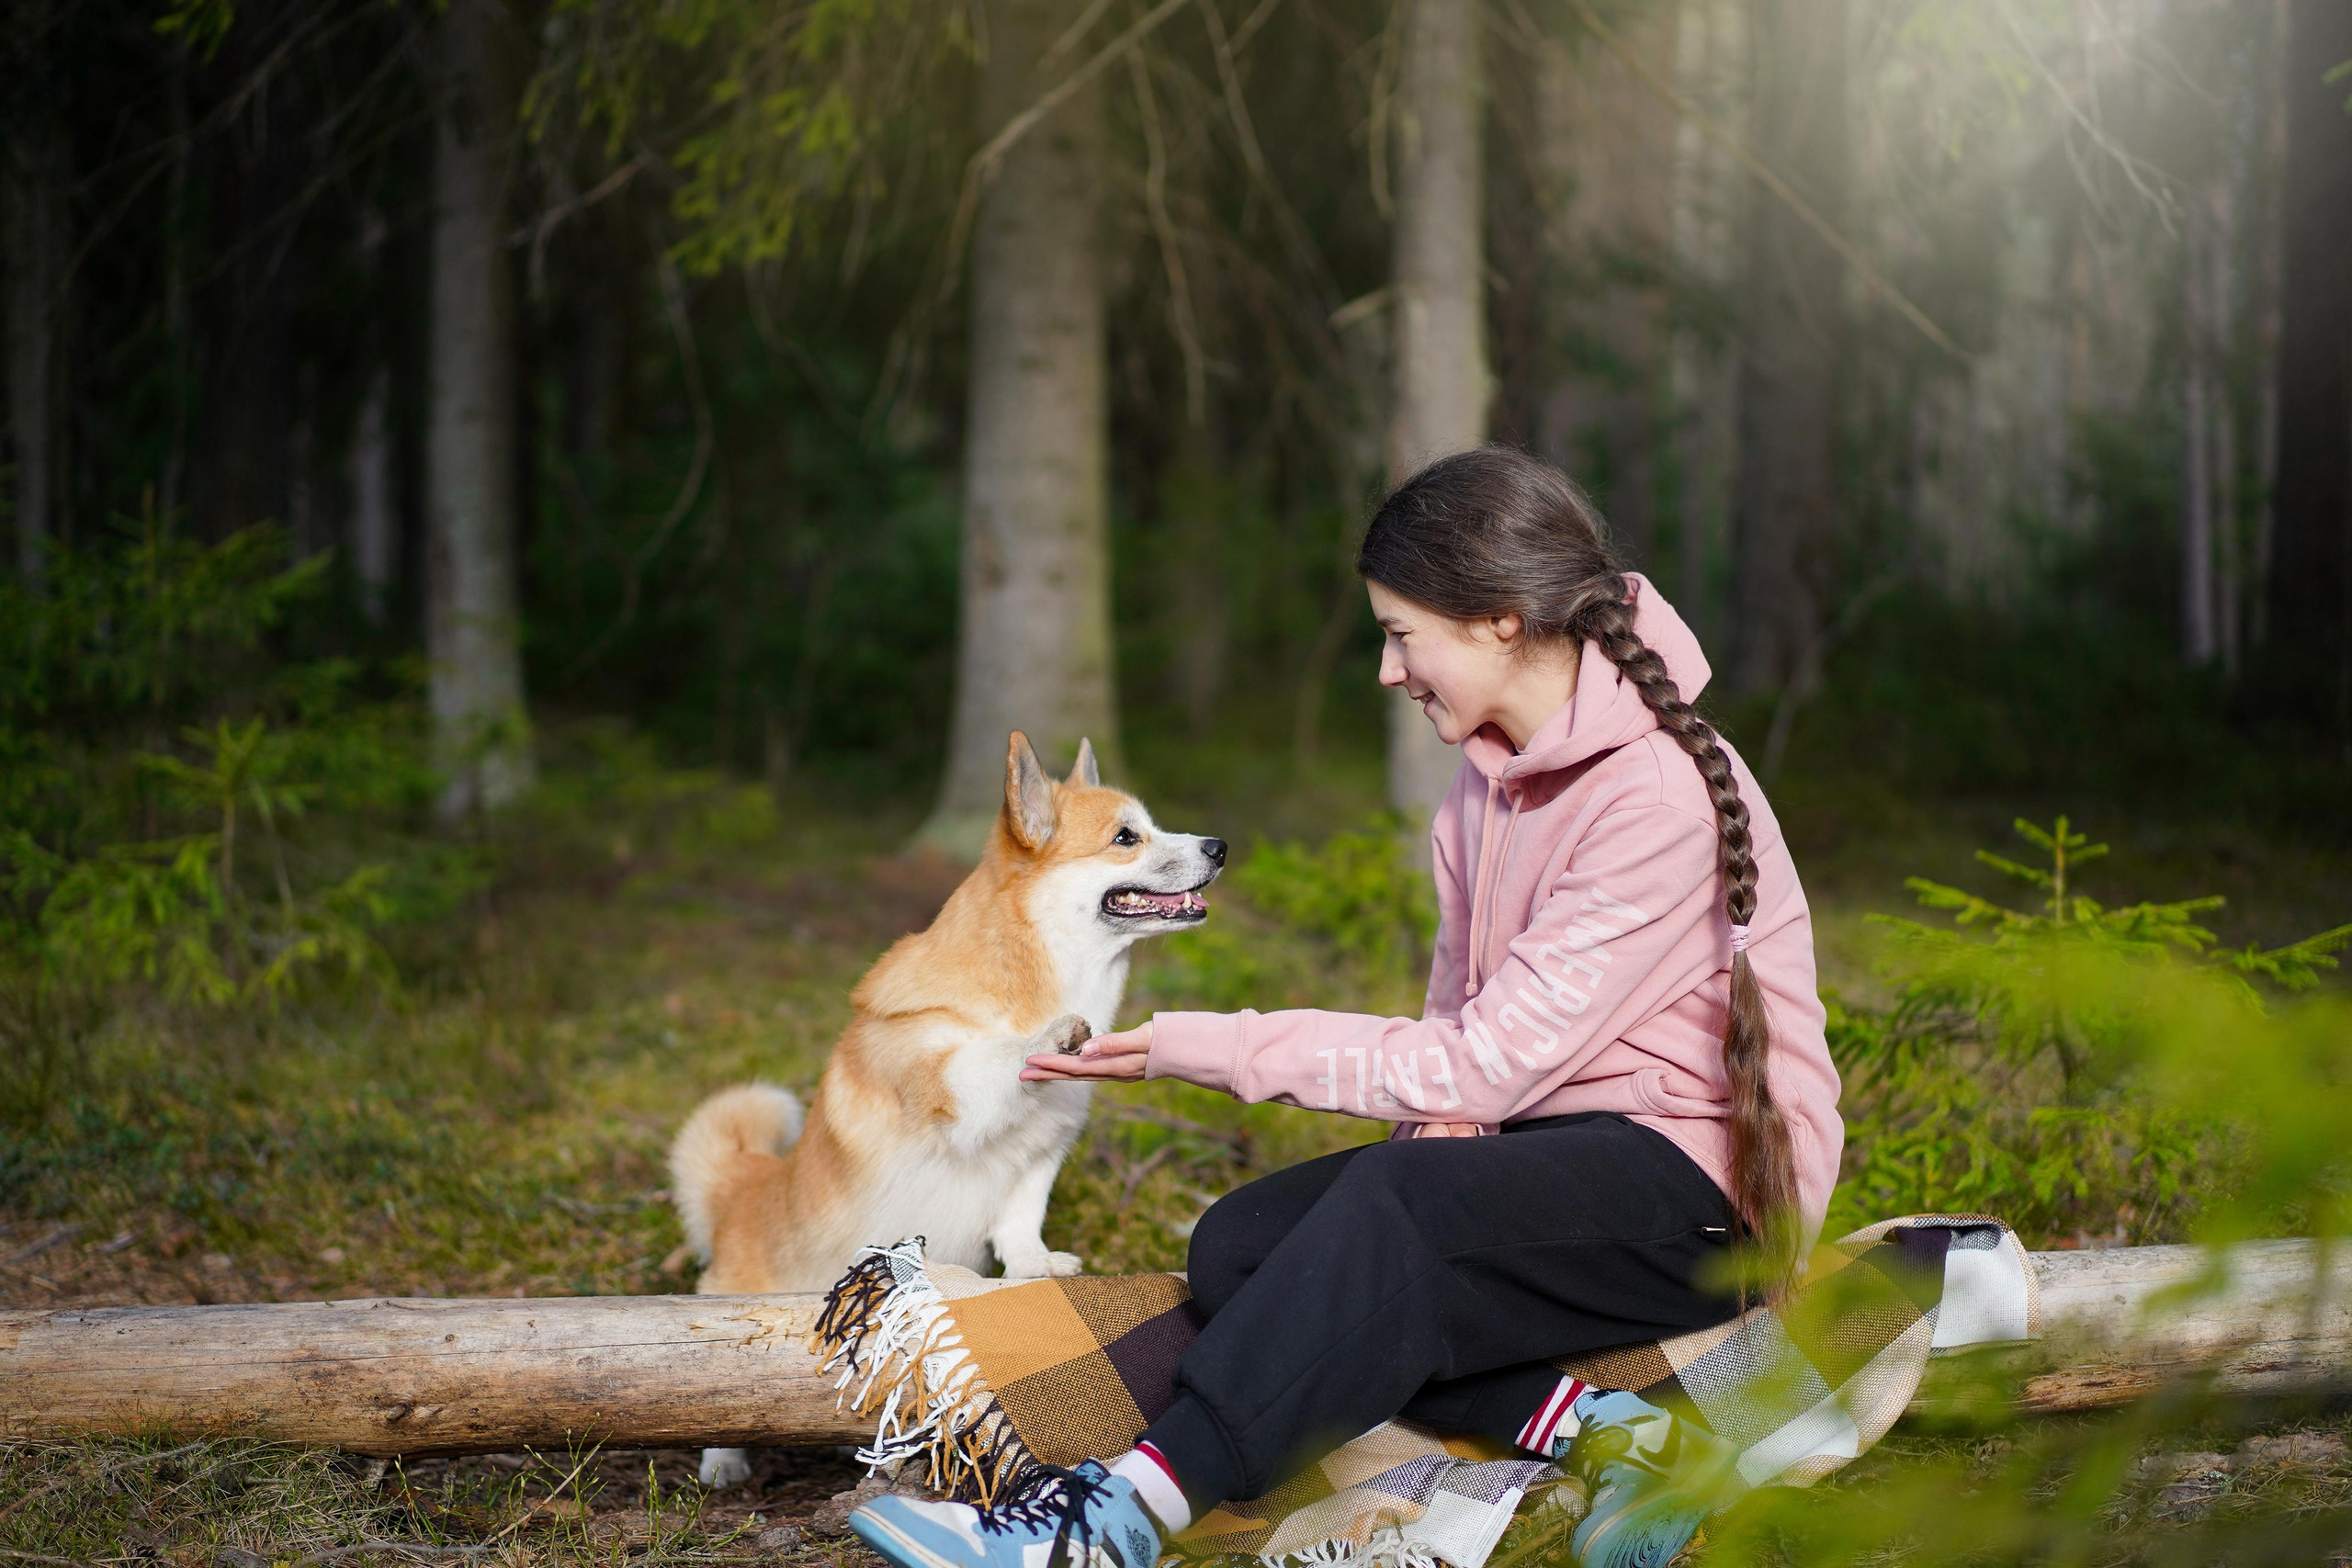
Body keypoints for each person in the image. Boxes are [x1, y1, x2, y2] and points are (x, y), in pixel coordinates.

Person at [850, 447, 1844, 1568]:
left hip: (1701, 1189)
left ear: (1500, 622)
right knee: (1245, 1246)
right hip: (1557, 1146)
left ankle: (1111, 1521)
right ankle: (1617, 1437)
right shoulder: (1485, 782)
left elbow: (1480, 1069)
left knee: (1394, 1208)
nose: (1386, 668)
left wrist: (1199, 1047)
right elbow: (1456, 1018)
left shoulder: (1653, 794)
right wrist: (1414, 1177)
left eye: (1400, 633)